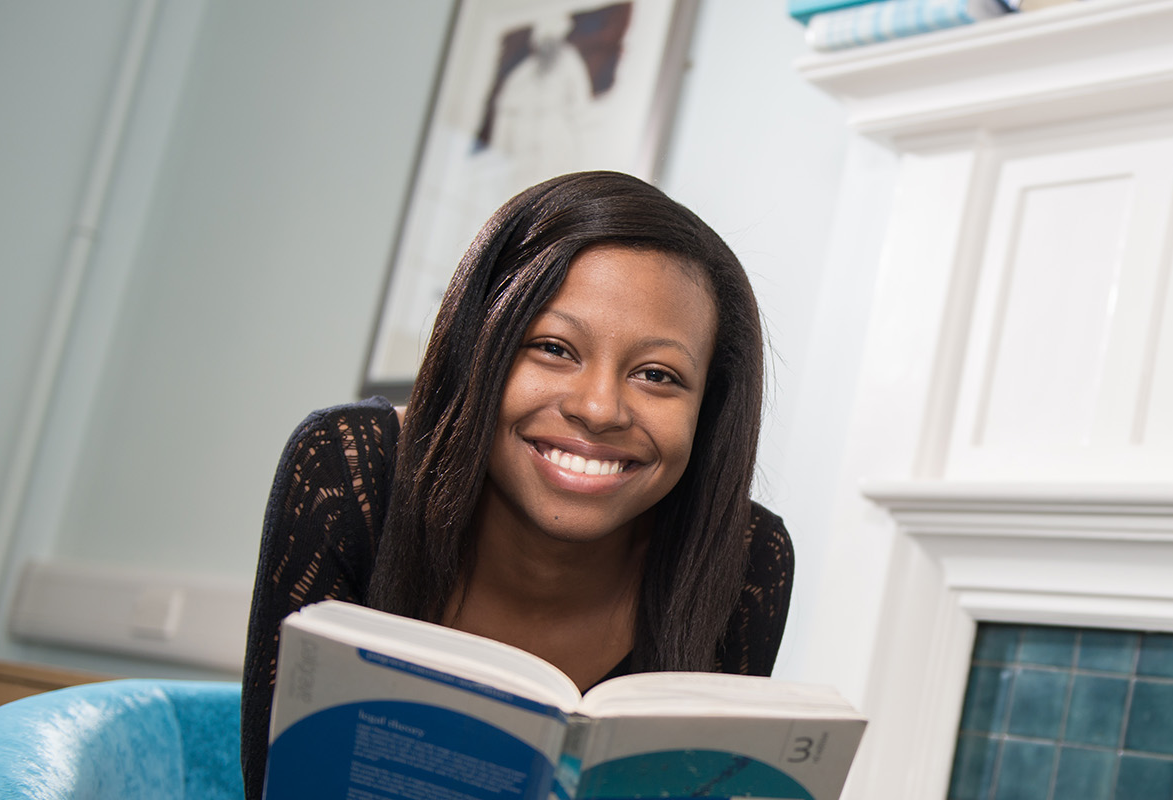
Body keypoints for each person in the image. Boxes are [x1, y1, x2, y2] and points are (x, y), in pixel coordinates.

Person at [238, 172, 793, 799]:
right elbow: (281, 782)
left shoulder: (747, 559)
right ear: (477, 351)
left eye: (657, 374)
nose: (600, 408)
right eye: (554, 348)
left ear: (708, 408)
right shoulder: (349, 470)